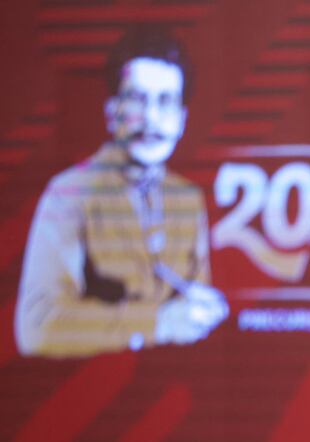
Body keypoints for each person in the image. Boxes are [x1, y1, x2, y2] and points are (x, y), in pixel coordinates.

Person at [14, 27, 227, 358]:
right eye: (138, 100)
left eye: (166, 102)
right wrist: (158, 322)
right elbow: (36, 328)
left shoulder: (188, 199)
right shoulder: (70, 191)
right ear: (112, 113)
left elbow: (191, 312)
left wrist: (204, 312)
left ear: (183, 120)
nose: (152, 119)